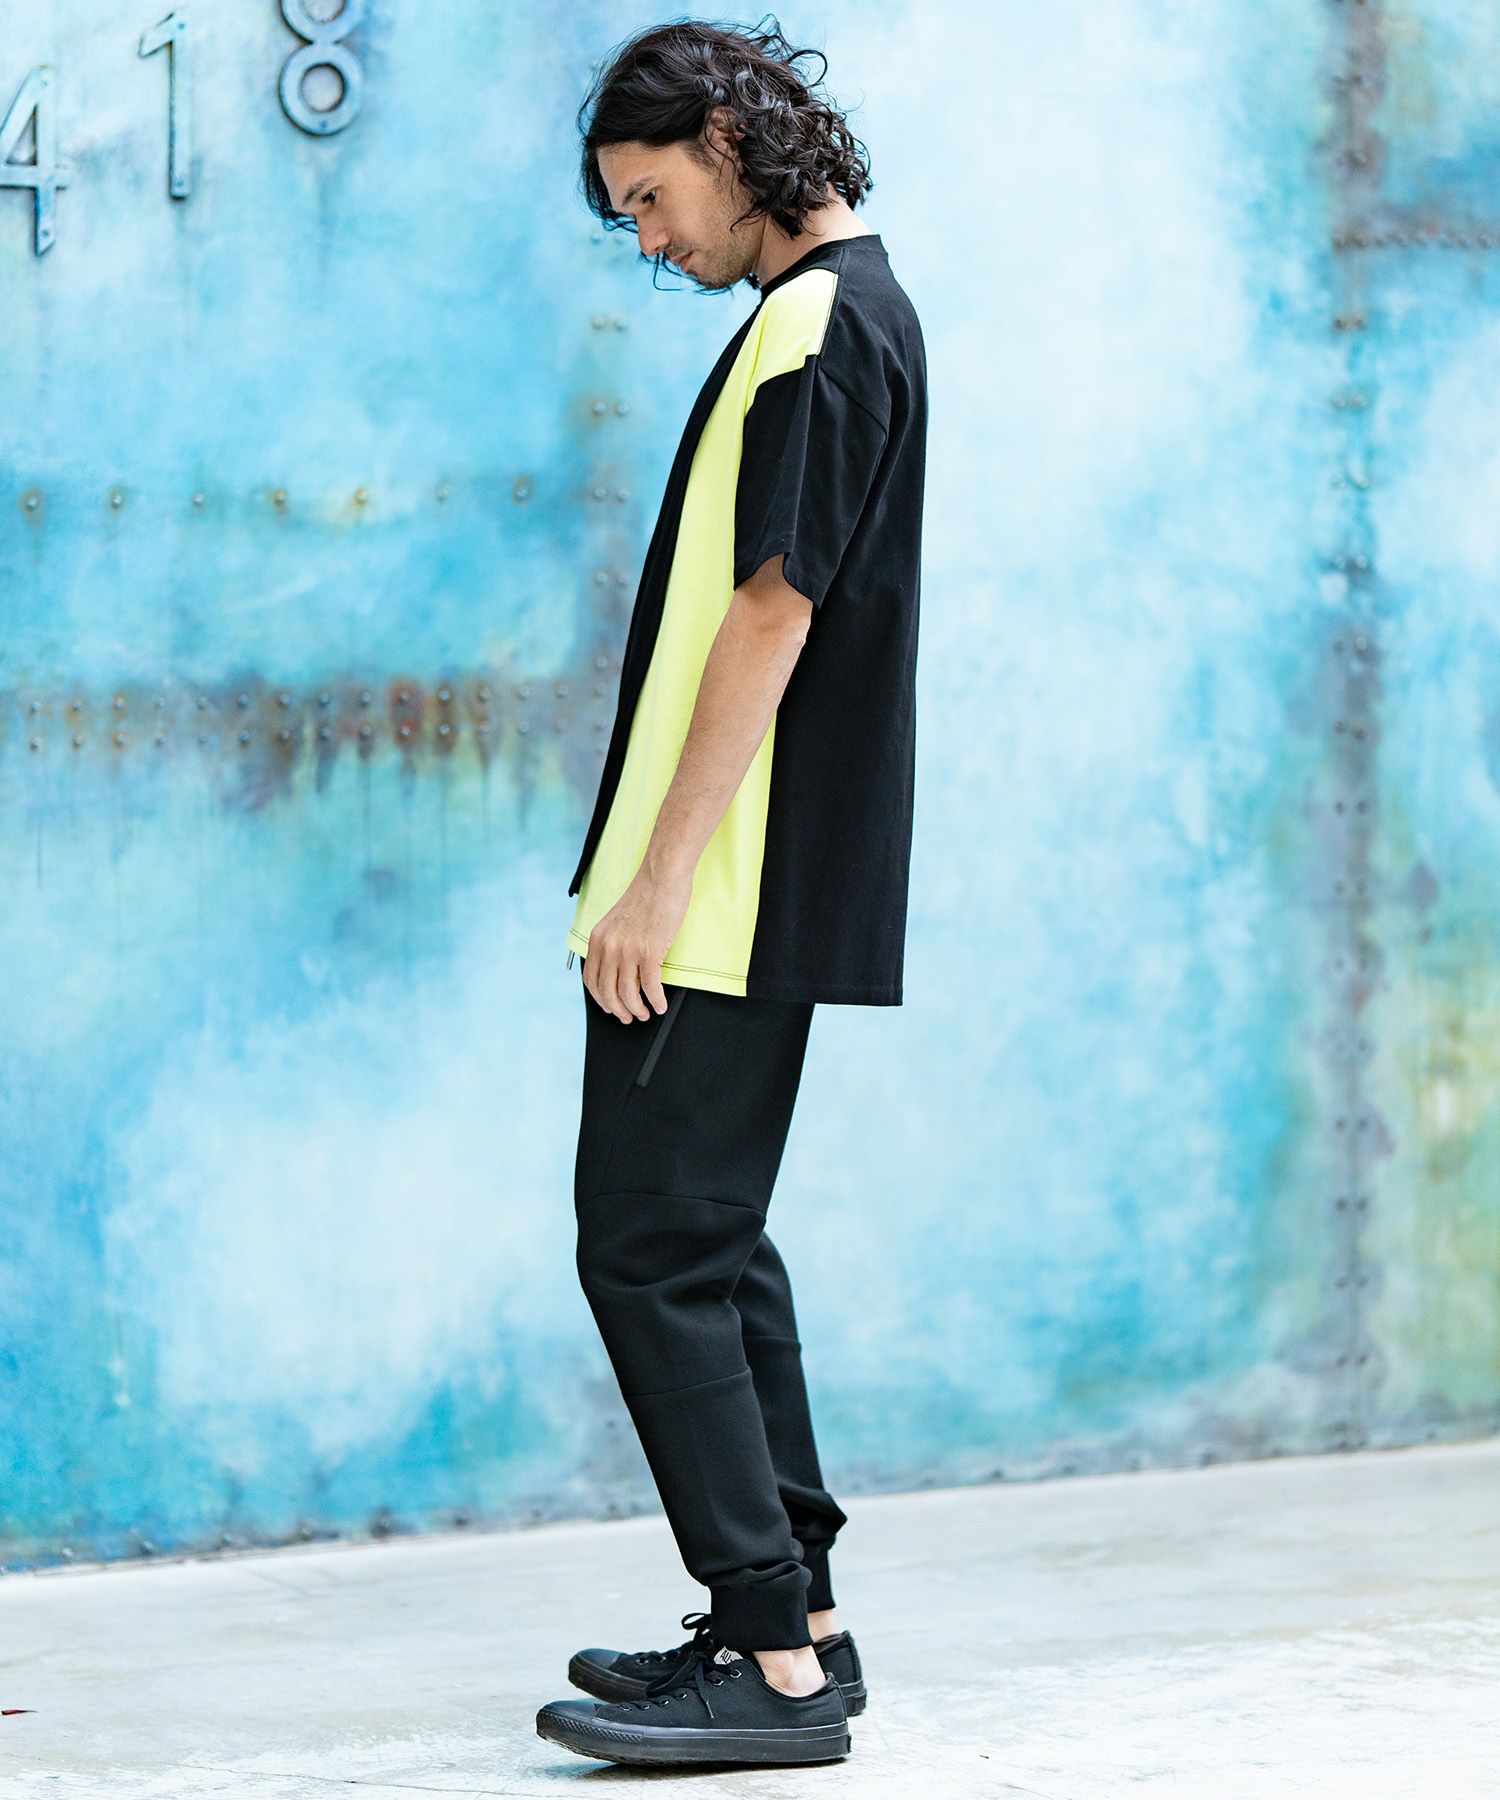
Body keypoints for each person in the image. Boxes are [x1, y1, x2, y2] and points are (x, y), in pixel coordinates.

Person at [535, 15, 927, 1770]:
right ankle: (801, 1626)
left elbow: (775, 612)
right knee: (713, 1245)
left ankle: (766, 1668)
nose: (648, 239)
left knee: (646, 1248)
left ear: (725, 137)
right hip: (745, 879)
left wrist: (658, 882)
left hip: (726, 885)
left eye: (649, 197)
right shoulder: (839, 313)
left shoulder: (817, 327)